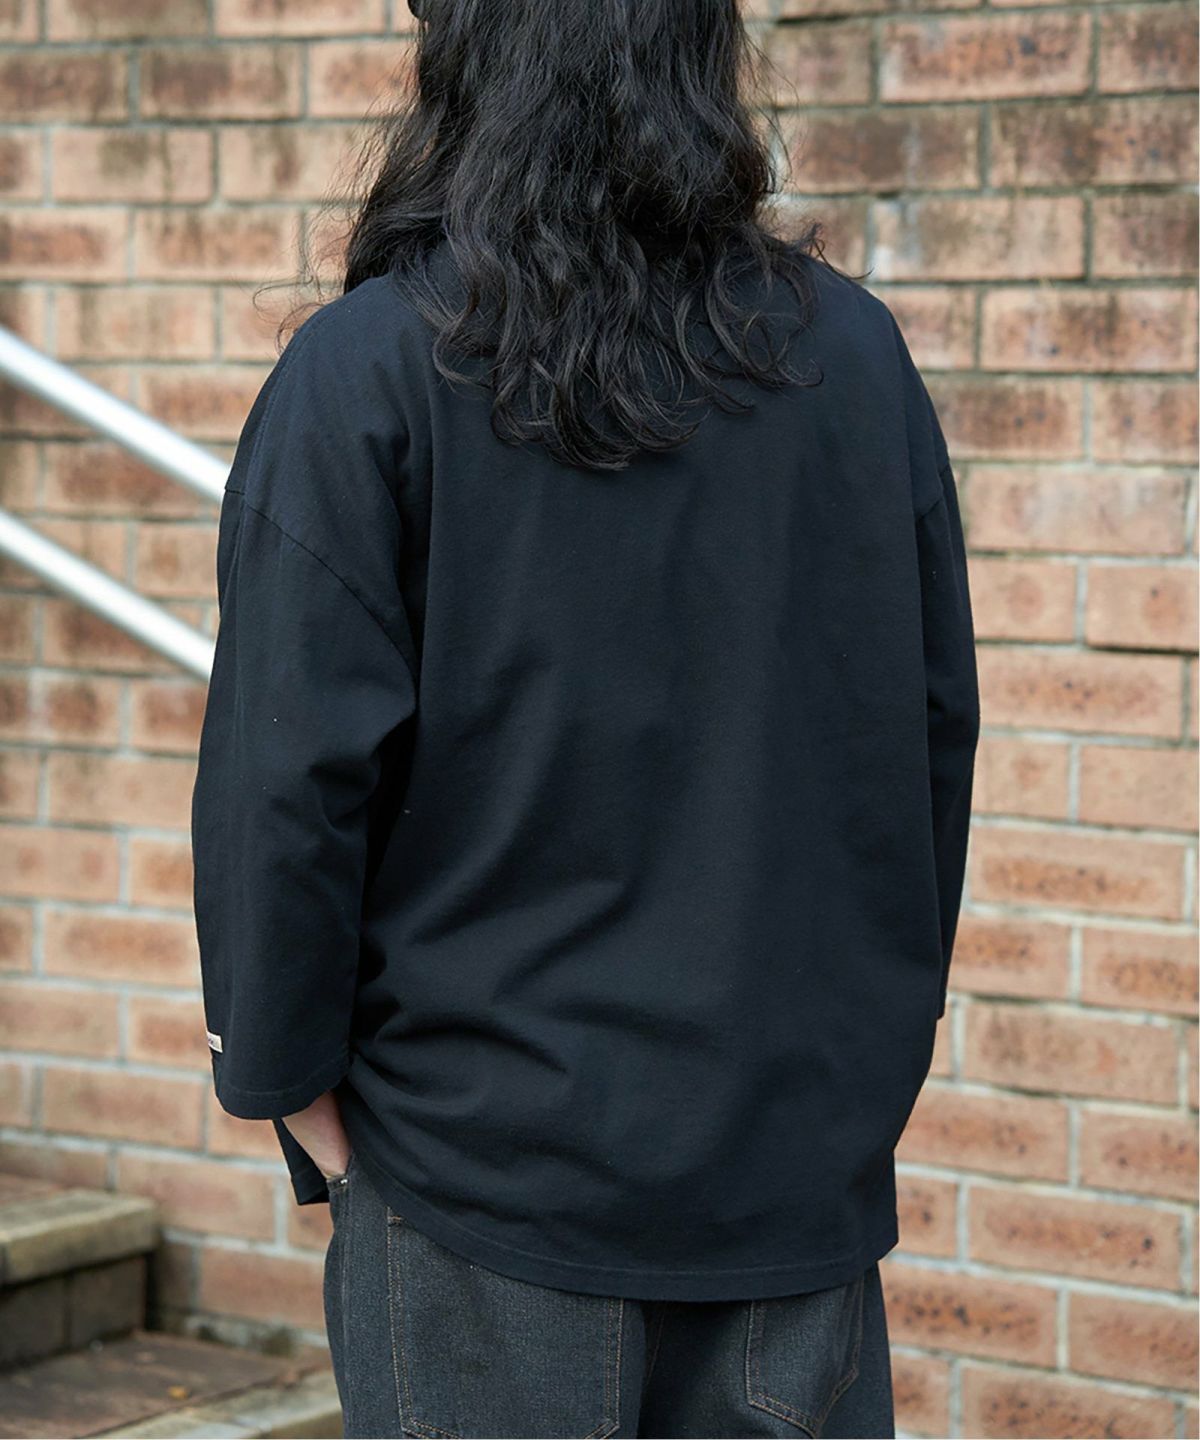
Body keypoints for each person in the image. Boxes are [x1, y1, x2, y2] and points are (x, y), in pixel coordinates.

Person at [190, 0, 981, 1435]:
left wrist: (304, 1106)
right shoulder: (858, 362)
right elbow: (926, 757)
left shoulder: (372, 373)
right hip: (776, 1194)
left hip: (482, 1198)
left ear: (469, 52)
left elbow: (283, 793)